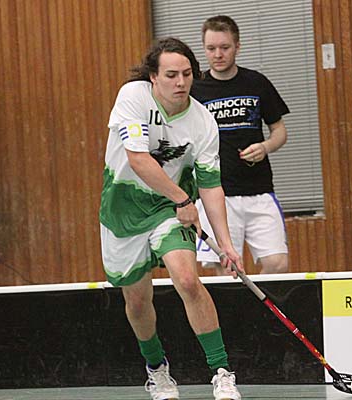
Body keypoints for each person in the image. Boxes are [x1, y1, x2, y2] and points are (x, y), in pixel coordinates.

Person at [99, 37, 243, 400]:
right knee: (137, 301)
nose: (181, 82)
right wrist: (182, 198)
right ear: (153, 77)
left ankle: (222, 372)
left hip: (168, 211)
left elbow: (210, 185)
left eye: (187, 74)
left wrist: (226, 244)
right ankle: (157, 370)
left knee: (188, 280)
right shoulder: (133, 97)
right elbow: (138, 160)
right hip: (123, 211)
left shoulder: (203, 122)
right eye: (171, 75)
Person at [192, 15, 289, 275]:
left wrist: (266, 147)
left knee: (277, 263)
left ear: (237, 46)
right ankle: (241, 304)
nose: (218, 54)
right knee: (229, 270)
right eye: (211, 48)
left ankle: (258, 302)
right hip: (217, 193)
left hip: (259, 189)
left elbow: (279, 130)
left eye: (225, 47)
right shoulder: (195, 89)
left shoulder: (256, 82)